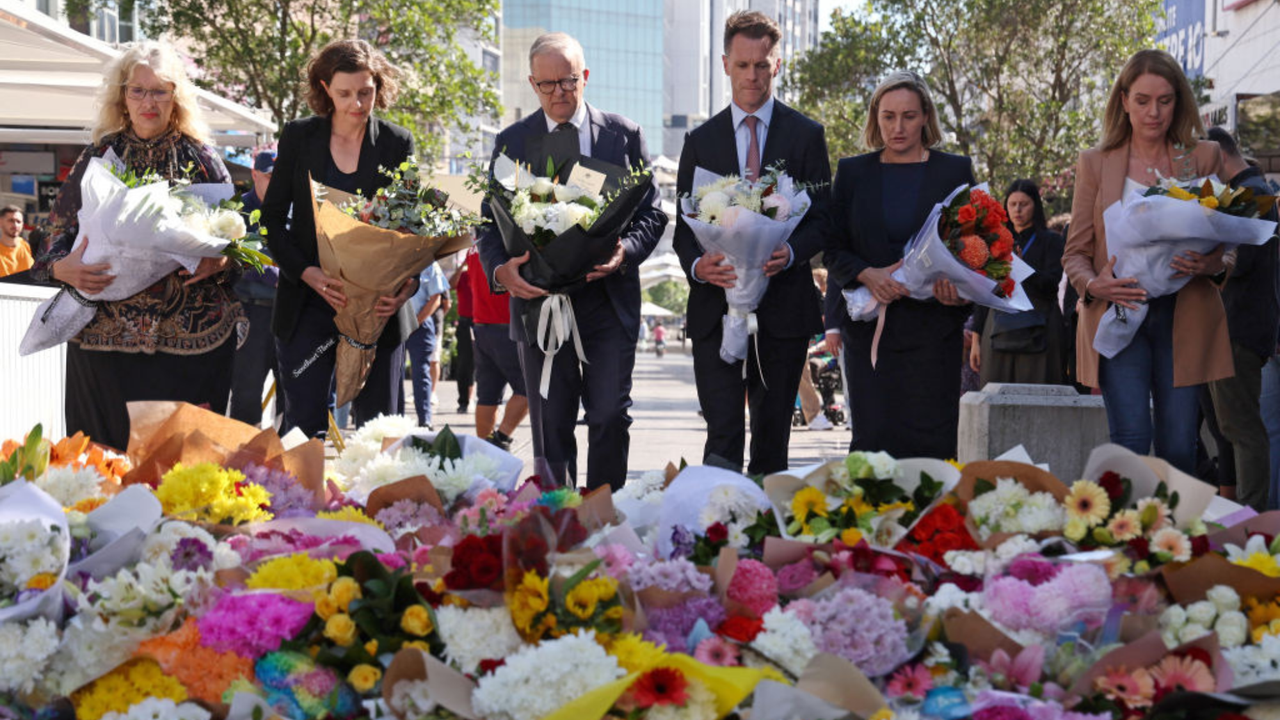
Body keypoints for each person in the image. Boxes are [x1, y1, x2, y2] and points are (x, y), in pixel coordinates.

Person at [477, 32, 667, 490]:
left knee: (608, 414)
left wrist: (626, 252)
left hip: (608, 299)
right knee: (551, 426)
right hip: (539, 303)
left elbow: (653, 212)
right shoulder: (512, 142)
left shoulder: (624, 135)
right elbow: (489, 223)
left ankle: (606, 515)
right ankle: (558, 524)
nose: (559, 93)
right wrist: (502, 272)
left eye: (567, 81)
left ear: (584, 76)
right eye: (547, 85)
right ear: (531, 84)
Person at [28, 41, 241, 450]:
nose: (148, 101)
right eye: (138, 90)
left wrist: (220, 263)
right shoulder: (98, 156)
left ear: (176, 98)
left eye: (160, 90)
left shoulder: (201, 159)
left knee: (180, 467)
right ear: (122, 96)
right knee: (103, 465)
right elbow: (52, 237)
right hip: (101, 340)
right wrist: (60, 268)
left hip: (188, 342)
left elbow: (238, 245)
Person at [673, 11, 831, 475]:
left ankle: (766, 537)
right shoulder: (700, 140)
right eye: (743, 65)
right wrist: (699, 267)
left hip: (783, 308)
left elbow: (824, 217)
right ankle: (717, 533)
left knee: (772, 433)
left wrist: (794, 251)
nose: (752, 76)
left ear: (777, 66)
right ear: (725, 64)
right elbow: (684, 227)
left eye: (762, 65)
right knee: (721, 432)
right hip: (715, 308)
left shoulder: (806, 135)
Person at [1062, 48, 1230, 475]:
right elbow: (1075, 253)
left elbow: (1231, 241)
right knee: (1132, 440)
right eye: (1142, 101)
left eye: (1165, 100)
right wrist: (1094, 285)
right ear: (1123, 101)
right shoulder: (1095, 162)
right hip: (1120, 311)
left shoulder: (1206, 157)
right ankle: (1128, 538)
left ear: (1179, 101)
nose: (1154, 112)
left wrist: (1212, 264)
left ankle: (1175, 539)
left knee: (1179, 442)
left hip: (1185, 313)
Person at [261, 39, 418, 439]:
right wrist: (307, 273)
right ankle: (300, 503)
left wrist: (404, 289)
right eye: (345, 93)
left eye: (366, 92)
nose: (357, 104)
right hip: (308, 303)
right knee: (302, 431)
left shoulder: (398, 143)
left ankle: (377, 504)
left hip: (379, 308)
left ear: (378, 88)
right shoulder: (298, 137)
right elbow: (273, 220)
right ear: (324, 87)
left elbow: (413, 232)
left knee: (378, 433)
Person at [824, 70, 975, 459]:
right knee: (872, 448)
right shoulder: (853, 172)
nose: (898, 126)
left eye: (908, 116)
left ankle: (933, 521)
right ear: (876, 117)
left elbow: (976, 248)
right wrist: (866, 273)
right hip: (870, 337)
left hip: (934, 335)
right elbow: (833, 246)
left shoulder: (954, 171)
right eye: (888, 116)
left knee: (933, 448)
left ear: (926, 116)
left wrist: (959, 294)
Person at [1204, 126, 1279, 510]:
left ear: (1218, 155)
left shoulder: (1253, 195)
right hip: (1235, 326)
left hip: (1241, 328)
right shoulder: (1246, 192)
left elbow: (1238, 265)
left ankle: (1252, 518)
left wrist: (1205, 261)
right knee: (1229, 427)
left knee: (1243, 428)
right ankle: (1242, 514)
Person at [970, 179, 1067, 387]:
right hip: (998, 326)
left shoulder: (1052, 241)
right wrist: (976, 339)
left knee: (1038, 392)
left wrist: (1021, 267)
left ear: (1036, 206)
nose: (1018, 209)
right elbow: (982, 290)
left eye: (1024, 204)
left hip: (1040, 324)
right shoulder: (994, 240)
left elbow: (1052, 284)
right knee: (994, 394)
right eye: (1013, 204)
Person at [228, 150, 282, 426]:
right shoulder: (238, 211)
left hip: (286, 313)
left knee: (291, 392)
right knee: (246, 392)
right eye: (270, 176)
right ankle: (243, 459)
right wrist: (277, 273)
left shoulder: (292, 208)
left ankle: (289, 458)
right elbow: (241, 258)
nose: (276, 182)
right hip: (250, 315)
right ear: (254, 175)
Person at [466, 247, 529, 450]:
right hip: (506, 324)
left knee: (487, 393)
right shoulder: (506, 244)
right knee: (530, 388)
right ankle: (500, 438)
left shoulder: (475, 246)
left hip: (481, 323)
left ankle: (484, 450)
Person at [406, 262, 449, 429]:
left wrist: (415, 322)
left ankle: (425, 420)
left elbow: (436, 299)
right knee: (392, 373)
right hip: (394, 324)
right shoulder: (393, 257)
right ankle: (394, 417)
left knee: (421, 372)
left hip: (420, 325)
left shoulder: (429, 264)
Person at [451, 259, 476, 413]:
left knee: (475, 364)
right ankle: (464, 400)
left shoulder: (485, 274)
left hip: (482, 322)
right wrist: (462, 266)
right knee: (464, 364)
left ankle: (471, 399)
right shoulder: (464, 275)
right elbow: (451, 284)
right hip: (466, 323)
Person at [0, 206, 33, 278]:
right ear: (0, 222)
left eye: (18, 221)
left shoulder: (27, 246)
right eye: (11, 220)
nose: (15, 225)